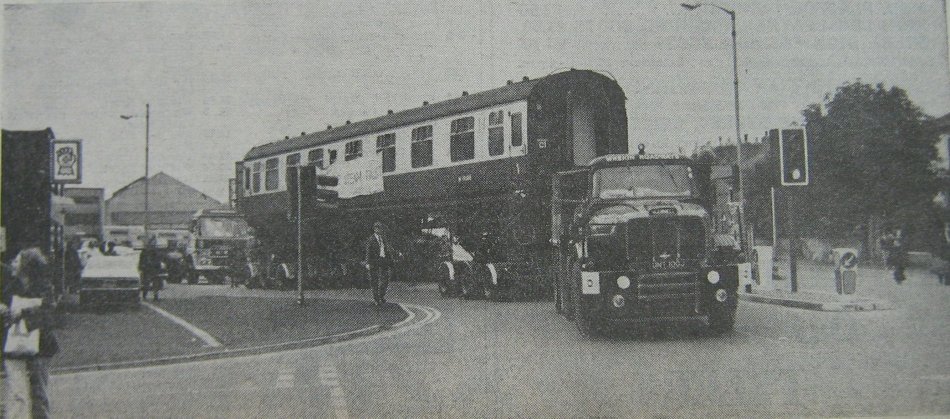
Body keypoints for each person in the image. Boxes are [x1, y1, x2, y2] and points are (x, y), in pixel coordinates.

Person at [2, 247, 60, 418]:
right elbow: (5, 307)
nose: (12, 264)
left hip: (40, 345)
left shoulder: (44, 288)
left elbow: (48, 315)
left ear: (26, 265)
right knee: (17, 391)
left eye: (16, 261)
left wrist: (23, 313)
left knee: (39, 392)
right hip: (15, 344)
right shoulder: (11, 287)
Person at [364, 221, 395, 306]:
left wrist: (391, 259)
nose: (379, 230)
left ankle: (381, 295)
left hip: (383, 260)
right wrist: (367, 263)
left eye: (380, 228)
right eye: (377, 228)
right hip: (374, 262)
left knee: (385, 280)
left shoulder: (383, 238)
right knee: (374, 281)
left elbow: (387, 249)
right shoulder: (371, 239)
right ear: (374, 229)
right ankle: (376, 299)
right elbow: (368, 251)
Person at [138, 236, 165, 301]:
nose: (153, 244)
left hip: (155, 269)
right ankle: (144, 296)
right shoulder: (145, 251)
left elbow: (160, 260)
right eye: (152, 243)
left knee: (155, 284)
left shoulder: (156, 251)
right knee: (146, 284)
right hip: (147, 269)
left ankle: (155, 296)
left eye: (154, 243)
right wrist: (141, 267)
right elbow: (141, 260)